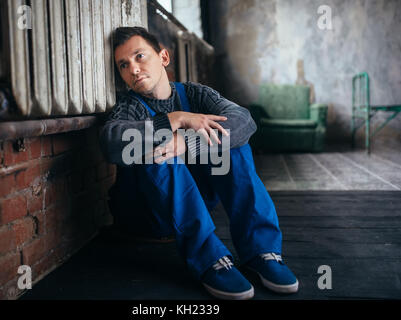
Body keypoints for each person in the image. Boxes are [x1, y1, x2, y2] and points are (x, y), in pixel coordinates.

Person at [99, 26, 298, 300]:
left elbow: (243, 121)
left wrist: (188, 143)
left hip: (193, 206)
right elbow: (110, 141)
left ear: (164, 58)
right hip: (145, 217)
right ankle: (209, 260)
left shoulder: (194, 94)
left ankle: (260, 251)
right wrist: (174, 120)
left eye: (139, 56)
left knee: (232, 144)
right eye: (124, 64)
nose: (133, 68)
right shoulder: (128, 106)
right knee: (153, 147)